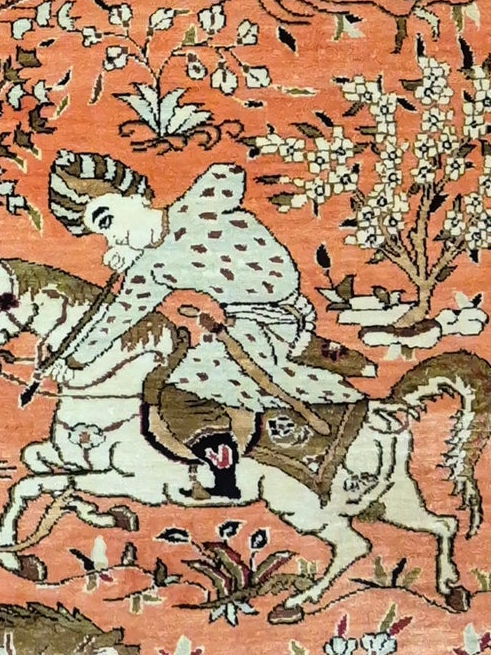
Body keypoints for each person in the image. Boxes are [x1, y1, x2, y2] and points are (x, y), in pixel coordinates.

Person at [45, 149, 365, 490]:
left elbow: (230, 172)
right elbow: (117, 317)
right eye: (102, 235)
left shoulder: (196, 208)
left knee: (188, 386)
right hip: (245, 321)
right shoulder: (150, 268)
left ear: (135, 196)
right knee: (176, 383)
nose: (113, 239)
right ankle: (238, 460)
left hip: (273, 318)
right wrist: (75, 359)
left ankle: (255, 458)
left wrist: (184, 210)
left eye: (107, 221)